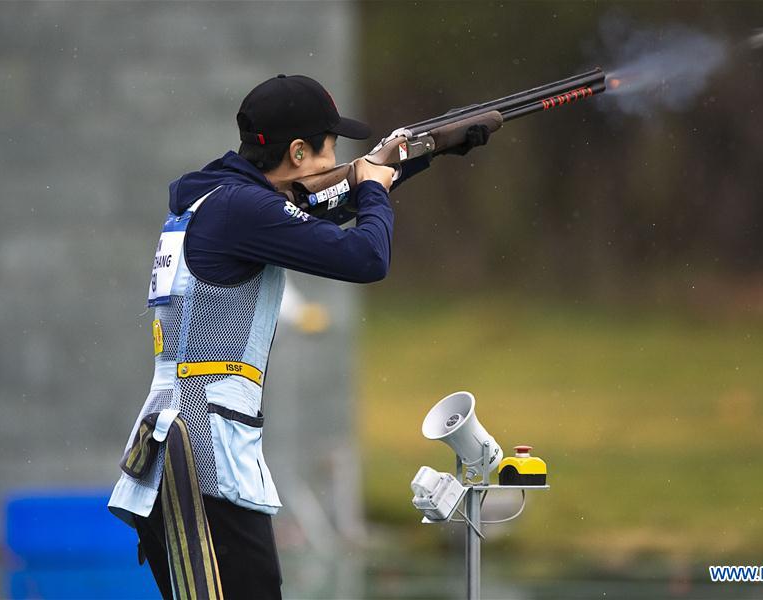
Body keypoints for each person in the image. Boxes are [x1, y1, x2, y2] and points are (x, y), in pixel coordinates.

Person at [108, 74, 486, 599]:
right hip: (201, 447)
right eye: (331, 146)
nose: (338, 158)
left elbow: (319, 208)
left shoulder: (219, 200)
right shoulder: (243, 209)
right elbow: (366, 257)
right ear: (299, 151)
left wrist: (416, 158)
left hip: (183, 439)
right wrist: (374, 185)